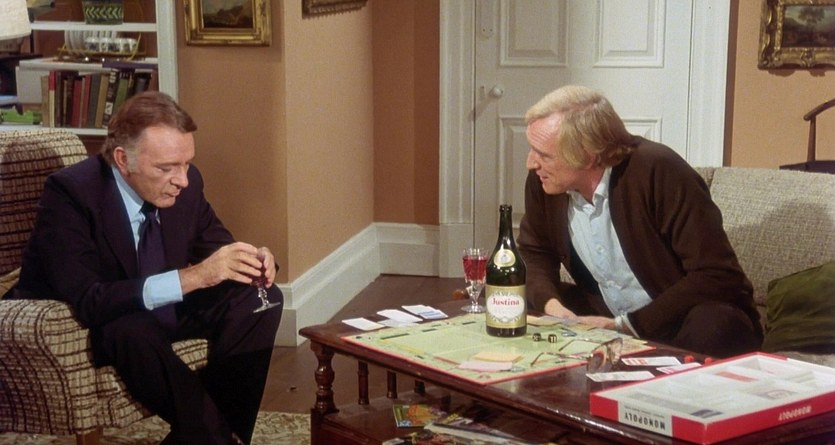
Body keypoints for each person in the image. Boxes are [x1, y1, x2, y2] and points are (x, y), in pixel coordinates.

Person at [9, 91, 282, 445]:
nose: (182, 179)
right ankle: (219, 438)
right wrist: (194, 277)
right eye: (167, 168)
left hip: (161, 308)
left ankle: (212, 436)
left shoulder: (187, 186)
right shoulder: (71, 193)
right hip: (98, 319)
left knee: (261, 298)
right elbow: (91, 299)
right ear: (123, 159)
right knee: (131, 329)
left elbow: (219, 249)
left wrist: (256, 261)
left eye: (186, 163)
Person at [518, 85, 762, 358]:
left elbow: (716, 274)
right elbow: (534, 251)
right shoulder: (545, 182)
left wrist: (627, 326)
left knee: (715, 325)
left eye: (544, 155)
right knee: (507, 298)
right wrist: (553, 308)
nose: (531, 163)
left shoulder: (659, 170)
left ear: (587, 155)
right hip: (606, 316)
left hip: (678, 320)